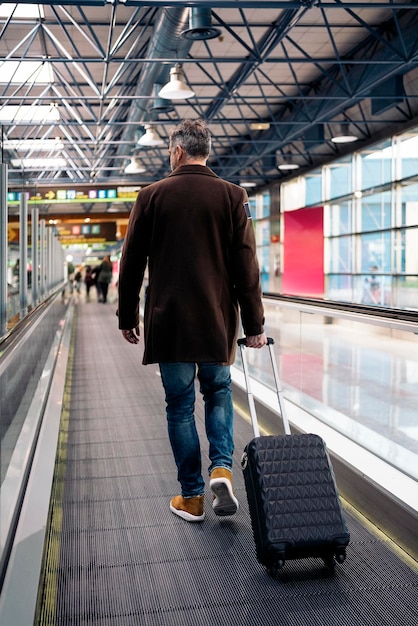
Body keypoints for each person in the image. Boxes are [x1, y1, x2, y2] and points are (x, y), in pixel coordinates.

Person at [118, 119, 267, 523]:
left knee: (179, 405)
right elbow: (247, 267)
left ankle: (193, 497)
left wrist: (127, 314)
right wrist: (254, 326)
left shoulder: (150, 196)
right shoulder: (233, 196)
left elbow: (131, 262)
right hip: (217, 320)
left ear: (177, 151)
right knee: (218, 394)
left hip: (169, 323)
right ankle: (221, 468)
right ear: (206, 151)